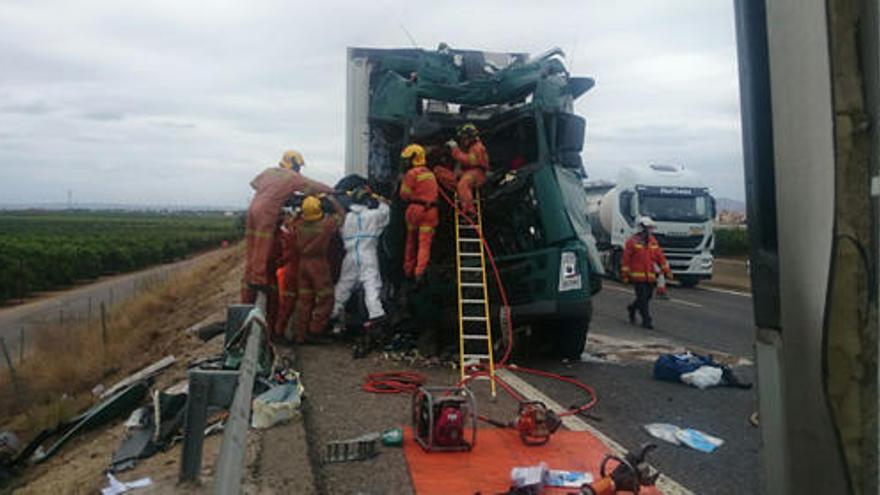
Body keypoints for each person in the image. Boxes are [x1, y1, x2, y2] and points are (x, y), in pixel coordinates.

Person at [242, 150, 333, 332]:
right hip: (267, 210)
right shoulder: (292, 178)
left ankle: (253, 275)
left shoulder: (269, 171)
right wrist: (333, 191)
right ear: (293, 164)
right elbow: (313, 186)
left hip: (253, 209)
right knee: (263, 244)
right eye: (298, 166)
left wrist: (273, 191)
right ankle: (259, 278)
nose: (299, 170)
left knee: (253, 246)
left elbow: (254, 183)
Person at [331, 189, 391, 354]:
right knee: (372, 285)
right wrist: (382, 200)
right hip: (367, 254)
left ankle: (332, 315)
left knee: (343, 286)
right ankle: (376, 315)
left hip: (350, 256)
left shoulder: (348, 218)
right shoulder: (372, 215)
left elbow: (339, 227)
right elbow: (385, 213)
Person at [293, 194, 345, 344]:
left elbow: (293, 220)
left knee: (305, 299)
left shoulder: (298, 224)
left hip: (302, 265)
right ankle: (315, 331)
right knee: (326, 298)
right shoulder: (326, 224)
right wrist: (333, 200)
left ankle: (301, 334)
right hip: (318, 264)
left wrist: (301, 207)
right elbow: (342, 217)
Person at [621, 217, 673, 329]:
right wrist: (625, 275)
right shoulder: (631, 242)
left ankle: (632, 308)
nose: (651, 230)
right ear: (642, 228)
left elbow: (660, 257)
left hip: (650, 276)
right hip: (637, 276)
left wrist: (666, 270)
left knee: (647, 297)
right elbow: (626, 260)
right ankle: (647, 320)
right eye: (649, 228)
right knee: (643, 298)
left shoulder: (653, 241)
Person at [399, 144, 439, 283]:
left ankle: (408, 270)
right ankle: (420, 273)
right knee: (424, 244)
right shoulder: (430, 174)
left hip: (415, 210)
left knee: (411, 241)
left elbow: (404, 195)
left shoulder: (412, 174)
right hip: (431, 211)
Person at [441, 123, 490, 216]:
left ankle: (469, 210)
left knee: (463, 184)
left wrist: (455, 149)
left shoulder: (478, 147)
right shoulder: (467, 147)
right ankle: (461, 191)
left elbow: (468, 160)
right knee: (439, 171)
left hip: (477, 173)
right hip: (465, 172)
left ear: (470, 137)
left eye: (464, 137)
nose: (463, 140)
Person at [274, 210, 300, 341]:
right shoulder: (284, 236)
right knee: (286, 303)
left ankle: (280, 330)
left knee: (287, 303)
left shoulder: (287, 233)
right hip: (285, 272)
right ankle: (278, 331)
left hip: (288, 271)